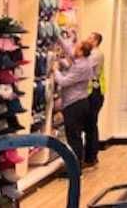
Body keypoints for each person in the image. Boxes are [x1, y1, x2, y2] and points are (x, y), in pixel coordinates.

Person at [54, 40, 94, 170]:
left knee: (73, 137)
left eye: (77, 48)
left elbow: (63, 82)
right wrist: (58, 37)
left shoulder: (81, 66)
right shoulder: (83, 61)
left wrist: (55, 70)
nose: (74, 49)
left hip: (74, 105)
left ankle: (75, 169)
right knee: (75, 136)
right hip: (79, 103)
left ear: (81, 52)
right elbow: (69, 51)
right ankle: (76, 166)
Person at [84, 32, 105, 166]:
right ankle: (90, 156)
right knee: (89, 125)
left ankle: (91, 157)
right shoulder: (93, 54)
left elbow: (84, 67)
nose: (87, 39)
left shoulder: (96, 54)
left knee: (91, 125)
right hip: (93, 92)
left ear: (96, 41)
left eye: (90, 38)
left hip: (94, 93)